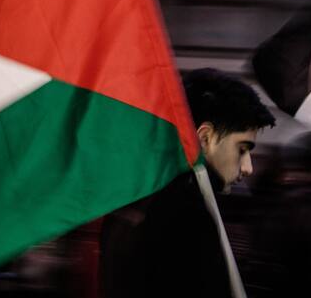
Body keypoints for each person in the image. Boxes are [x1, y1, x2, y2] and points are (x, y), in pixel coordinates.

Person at [99, 68, 275, 298]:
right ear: (205, 138)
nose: (248, 167)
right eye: (241, 150)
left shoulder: (131, 197)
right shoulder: (188, 213)